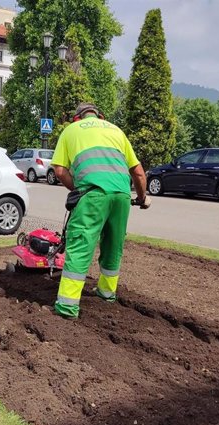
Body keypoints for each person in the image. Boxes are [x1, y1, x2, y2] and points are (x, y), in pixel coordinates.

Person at [50, 103, 150, 319]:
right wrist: (141, 198)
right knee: (114, 245)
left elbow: (59, 171)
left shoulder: (70, 130)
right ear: (101, 117)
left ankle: (67, 306)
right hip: (122, 196)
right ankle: (106, 293)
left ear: (77, 118)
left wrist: (77, 188)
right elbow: (139, 173)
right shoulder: (116, 131)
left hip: (93, 195)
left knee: (80, 245)